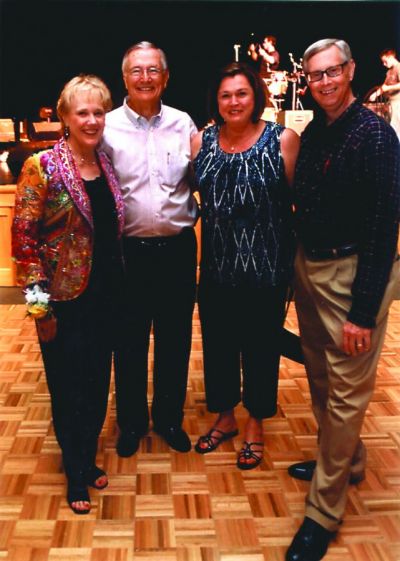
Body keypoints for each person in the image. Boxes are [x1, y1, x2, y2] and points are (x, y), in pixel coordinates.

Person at [286, 39, 400, 561]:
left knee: (347, 392)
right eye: (315, 76)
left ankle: (323, 513)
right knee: (321, 375)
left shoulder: (375, 136)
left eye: (333, 72)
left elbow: (383, 227)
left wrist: (362, 312)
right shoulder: (316, 132)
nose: (324, 82)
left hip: (354, 275)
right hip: (312, 269)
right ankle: (347, 459)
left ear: (351, 71)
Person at [12, 75, 125, 514]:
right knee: (68, 388)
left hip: (106, 295)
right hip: (62, 300)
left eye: (99, 112)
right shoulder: (42, 166)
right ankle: (75, 472)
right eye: (83, 112)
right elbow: (23, 239)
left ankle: (87, 454)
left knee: (98, 385)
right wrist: (40, 308)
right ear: (65, 117)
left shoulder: (105, 164)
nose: (92, 120)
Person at [191, 62, 300, 470]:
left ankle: (255, 423)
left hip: (266, 269)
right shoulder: (201, 141)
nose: (234, 102)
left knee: (260, 349)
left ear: (255, 97)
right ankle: (225, 418)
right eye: (225, 95)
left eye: (241, 93)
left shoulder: (282, 139)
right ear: (215, 101)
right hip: (217, 268)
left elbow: (296, 204)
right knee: (218, 347)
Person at [102, 41, 198, 456]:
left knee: (176, 340)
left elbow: (198, 179)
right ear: (124, 78)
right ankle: (131, 423)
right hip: (128, 254)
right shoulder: (104, 128)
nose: (145, 78)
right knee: (129, 341)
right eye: (136, 71)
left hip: (177, 251)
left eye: (152, 70)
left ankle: (169, 419)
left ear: (165, 77)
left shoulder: (183, 124)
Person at [369, 48, 400, 139]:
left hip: (398, 102)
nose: (384, 64)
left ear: (390, 57)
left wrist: (388, 88)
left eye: (385, 61)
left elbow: (388, 87)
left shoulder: (399, 67)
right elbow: (384, 86)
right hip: (390, 103)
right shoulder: (389, 72)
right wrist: (375, 94)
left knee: (395, 127)